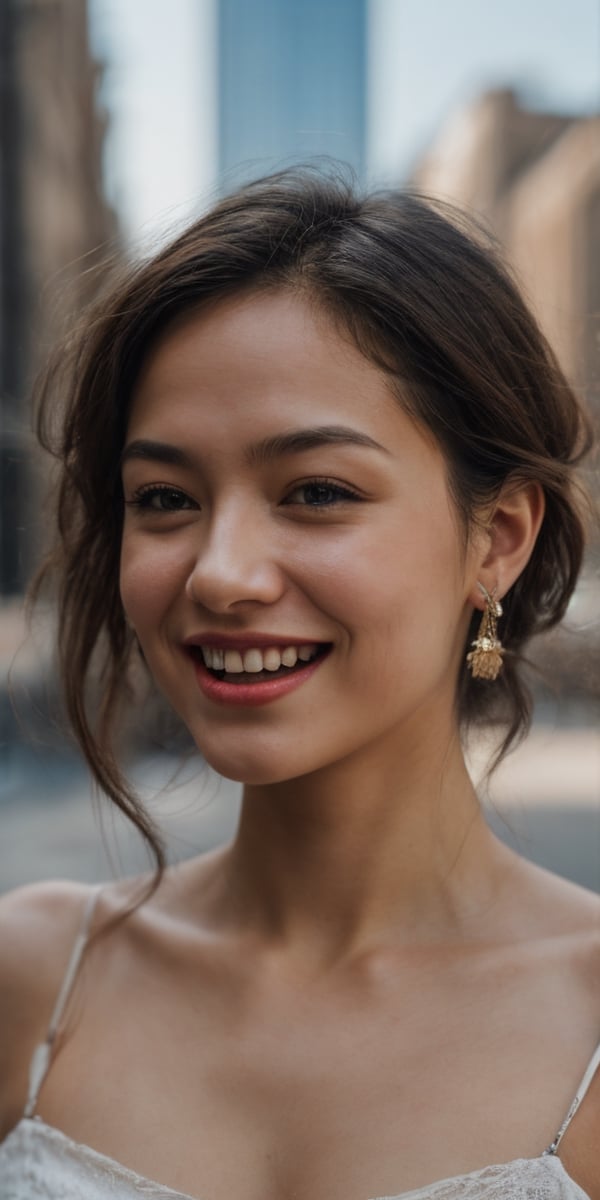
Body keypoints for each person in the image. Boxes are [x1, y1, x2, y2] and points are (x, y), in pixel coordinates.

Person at [0, 168, 598, 1200]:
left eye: (317, 491)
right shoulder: (30, 982)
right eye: (165, 498)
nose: (221, 573)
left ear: (496, 539)